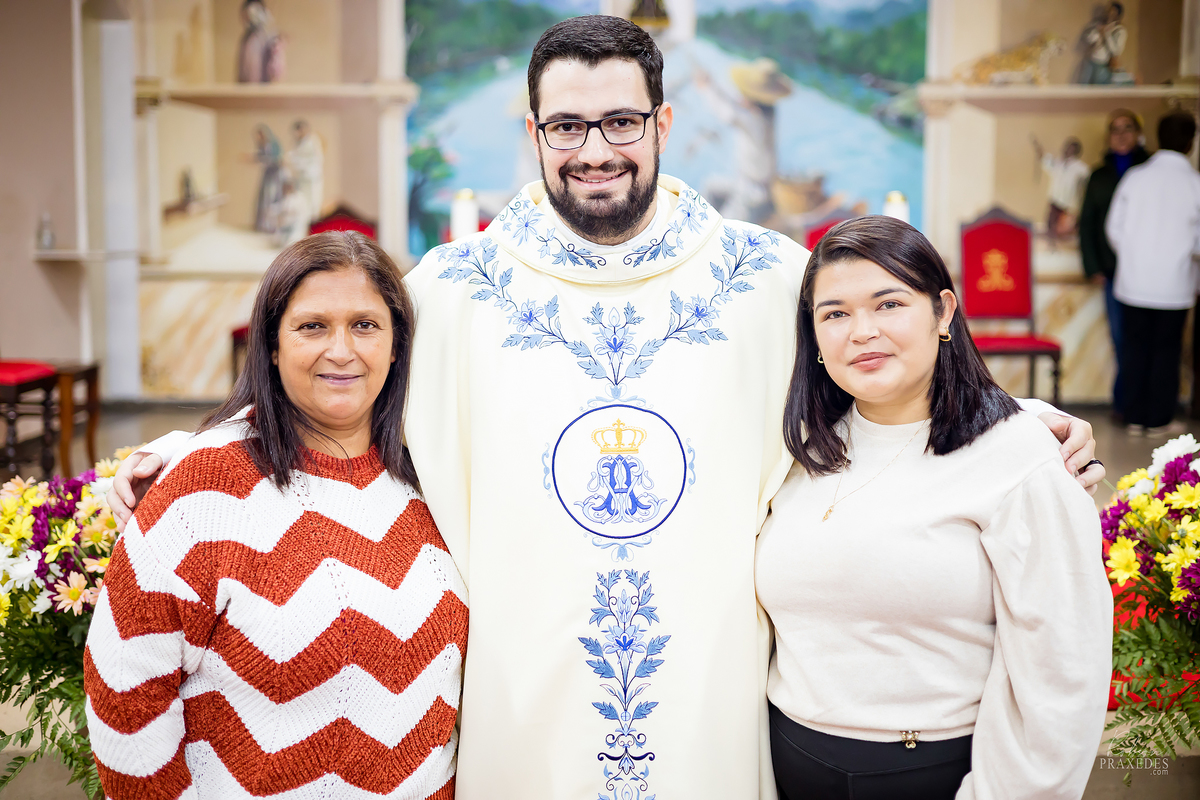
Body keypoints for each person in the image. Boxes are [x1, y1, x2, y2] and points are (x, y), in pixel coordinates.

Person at [109, 16, 1103, 800]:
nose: (596, 149)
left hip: (709, 694)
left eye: (621, 122)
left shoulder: (763, 278)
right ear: (534, 132)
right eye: (568, 126)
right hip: (521, 695)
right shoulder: (456, 288)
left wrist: (1017, 421)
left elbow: (882, 361)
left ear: (662, 126)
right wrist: (194, 446)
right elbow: (334, 377)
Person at [85, 232, 467, 798]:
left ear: (396, 346)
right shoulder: (201, 489)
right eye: (313, 326)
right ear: (270, 344)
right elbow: (125, 697)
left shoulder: (436, 476)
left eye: (365, 325)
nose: (342, 350)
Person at [759, 216, 1111, 799]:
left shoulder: (1021, 454)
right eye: (835, 314)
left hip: (931, 771)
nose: (862, 332)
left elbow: (1063, 666)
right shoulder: (795, 449)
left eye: (889, 304)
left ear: (943, 312)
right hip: (788, 761)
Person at [1106, 111, 1200, 435]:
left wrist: (1133, 255)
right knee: (1166, 352)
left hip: (1134, 280)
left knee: (1133, 349)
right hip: (1175, 284)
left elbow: (1113, 228)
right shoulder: (1195, 183)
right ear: (1190, 142)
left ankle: (1133, 416)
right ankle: (1158, 419)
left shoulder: (1135, 177)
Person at [1079, 108, 1150, 422]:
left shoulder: (1149, 171)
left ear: (1138, 134)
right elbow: (1088, 224)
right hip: (1112, 270)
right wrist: (1093, 266)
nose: (1121, 135)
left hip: (1148, 268)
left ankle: (1149, 404)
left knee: (1148, 338)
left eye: (1127, 128)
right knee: (1122, 338)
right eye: (1115, 129)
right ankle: (1126, 404)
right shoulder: (1099, 176)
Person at [694, 57, 793, 223]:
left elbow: (728, 112)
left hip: (754, 193)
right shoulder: (767, 113)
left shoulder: (754, 121)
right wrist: (712, 85)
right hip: (745, 183)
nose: (740, 96)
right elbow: (735, 105)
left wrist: (706, 88)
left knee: (724, 226)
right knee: (711, 187)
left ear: (751, 99)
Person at [1031, 135, 1088, 243]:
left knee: (1064, 231)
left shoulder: (1080, 167)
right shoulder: (1058, 163)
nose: (1067, 150)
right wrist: (1037, 146)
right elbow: (1044, 159)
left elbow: (1088, 179)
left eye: (1071, 148)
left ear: (1076, 151)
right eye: (1067, 147)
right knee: (1050, 227)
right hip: (1055, 199)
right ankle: (1051, 242)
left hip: (1068, 204)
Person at [1079, 2, 1126, 85]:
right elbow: (1089, 39)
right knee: (1083, 85)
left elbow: (1115, 51)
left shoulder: (1120, 30)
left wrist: (1106, 34)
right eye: (1109, 11)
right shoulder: (1099, 24)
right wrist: (1097, 31)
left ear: (1118, 14)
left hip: (1103, 64)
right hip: (1090, 61)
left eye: (1113, 12)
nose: (1109, 14)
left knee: (1098, 87)